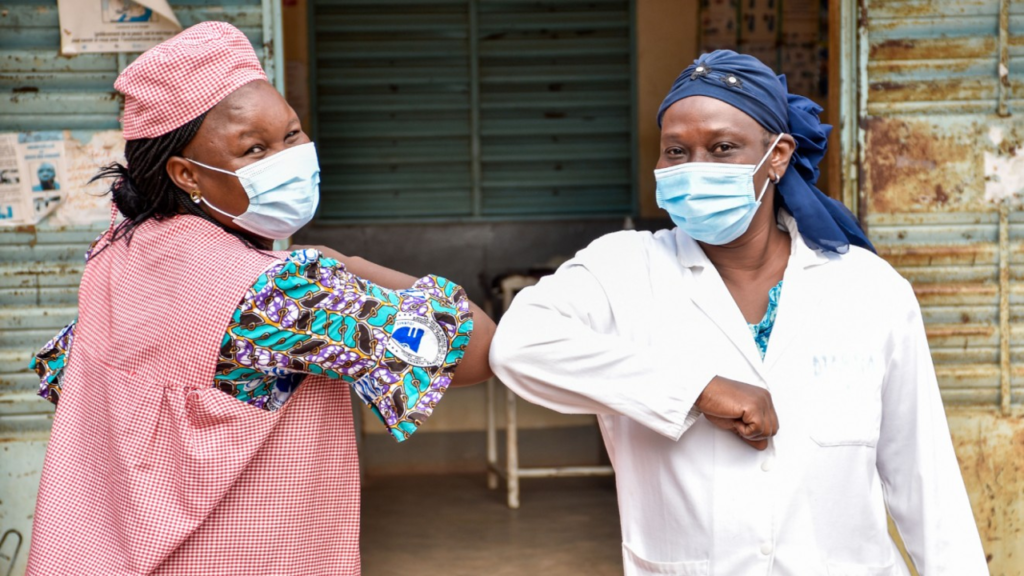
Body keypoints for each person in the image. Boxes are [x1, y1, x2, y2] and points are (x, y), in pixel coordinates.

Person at [489, 50, 987, 575]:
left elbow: (923, 479)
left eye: (722, 148)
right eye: (676, 151)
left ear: (777, 155)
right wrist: (697, 389)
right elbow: (518, 344)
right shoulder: (623, 268)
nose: (695, 168)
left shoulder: (868, 288)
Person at [26, 21, 494, 575]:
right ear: (186, 174)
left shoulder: (120, 254)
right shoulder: (279, 293)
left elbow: (74, 381)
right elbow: (472, 349)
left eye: (291, 134)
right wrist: (352, 266)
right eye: (254, 148)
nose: (287, 158)